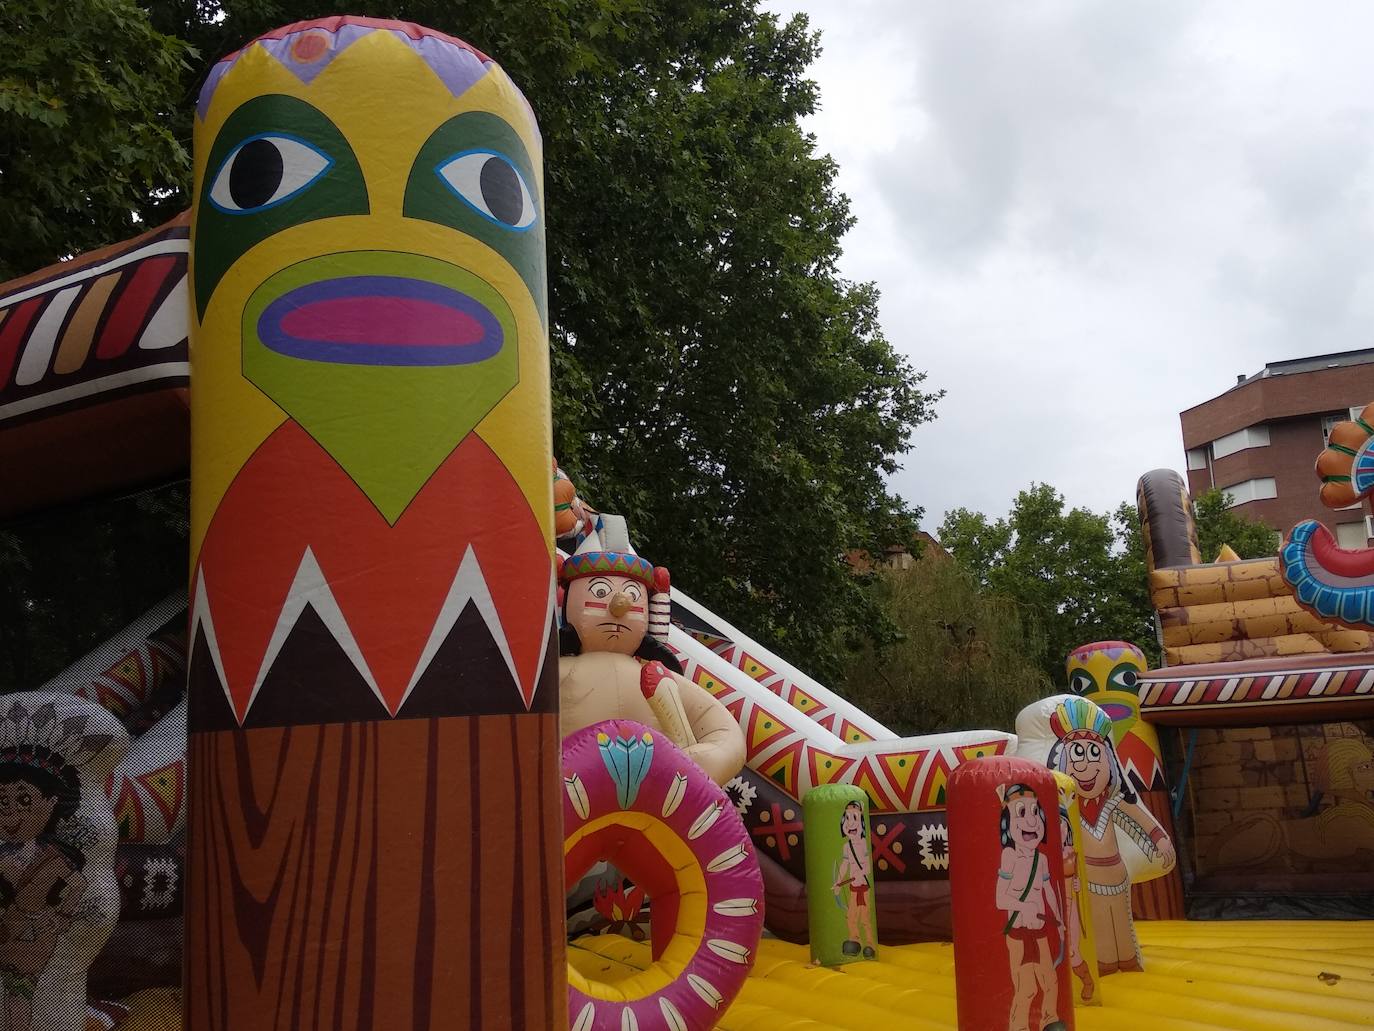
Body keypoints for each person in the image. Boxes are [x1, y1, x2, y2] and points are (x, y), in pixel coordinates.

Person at [558, 542, 744, 787]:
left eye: (632, 595)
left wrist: (704, 759)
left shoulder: (658, 678)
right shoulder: (557, 672)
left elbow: (723, 731)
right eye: (600, 592)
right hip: (571, 793)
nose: (620, 605)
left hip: (649, 801)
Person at [1048, 696, 1174, 975]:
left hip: (1117, 874)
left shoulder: (1113, 802)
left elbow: (1139, 818)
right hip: (1089, 879)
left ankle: (1127, 959)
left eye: (1094, 755)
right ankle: (1105, 963)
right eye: (1076, 755)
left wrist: (1160, 839)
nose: (1085, 766)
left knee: (1122, 925)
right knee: (1100, 925)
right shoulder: (1068, 808)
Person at [0, 747, 88, 1031]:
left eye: (24, 799)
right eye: (2, 800)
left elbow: (78, 884)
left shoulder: (53, 857)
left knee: (20, 991)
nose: (10, 812)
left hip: (31, 935)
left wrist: (62, 916)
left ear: (50, 803)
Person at [995, 783, 1064, 1031]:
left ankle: (1050, 1020)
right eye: (1022, 813)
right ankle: (1019, 1027)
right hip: (1019, 934)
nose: (1031, 821)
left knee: (1050, 980)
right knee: (1026, 988)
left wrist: (1059, 919)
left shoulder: (1041, 859)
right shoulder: (1010, 857)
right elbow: (1000, 899)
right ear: (1007, 823)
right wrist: (1023, 906)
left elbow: (1047, 891)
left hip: (1040, 931)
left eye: (1035, 812)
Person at [832, 801, 876, 958]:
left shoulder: (864, 844)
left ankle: (870, 944)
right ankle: (854, 941)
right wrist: (838, 882)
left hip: (863, 888)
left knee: (865, 918)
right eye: (847, 818)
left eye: (855, 818)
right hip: (852, 888)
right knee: (851, 917)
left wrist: (860, 873)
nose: (850, 823)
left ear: (862, 823)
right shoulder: (846, 847)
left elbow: (868, 868)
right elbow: (844, 864)